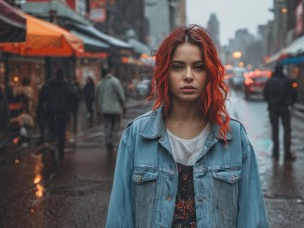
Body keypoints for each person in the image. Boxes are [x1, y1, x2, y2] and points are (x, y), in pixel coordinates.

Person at [106, 25, 269, 227]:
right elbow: (119, 218)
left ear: (209, 73)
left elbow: (253, 218)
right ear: (166, 72)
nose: (189, 75)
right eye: (178, 67)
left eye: (198, 67)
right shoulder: (137, 136)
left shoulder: (234, 137)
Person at [40, 68, 77, 159]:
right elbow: (74, 96)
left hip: (51, 111)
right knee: (61, 131)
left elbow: (42, 97)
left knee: (51, 129)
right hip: (62, 112)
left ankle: (52, 145)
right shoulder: (66, 85)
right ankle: (61, 149)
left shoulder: (48, 85)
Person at [263, 64, 296, 161]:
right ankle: (287, 152)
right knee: (286, 130)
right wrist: (290, 103)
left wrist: (271, 102)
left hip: (273, 108)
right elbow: (293, 94)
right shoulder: (286, 80)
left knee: (275, 130)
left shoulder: (270, 81)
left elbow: (265, 94)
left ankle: (275, 152)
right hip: (284, 108)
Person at [95, 69, 126, 151]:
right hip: (115, 108)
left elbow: (97, 96)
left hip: (104, 108)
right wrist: (124, 105)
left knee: (107, 125)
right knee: (116, 124)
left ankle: (108, 140)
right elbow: (121, 94)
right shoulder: (116, 82)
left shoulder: (100, 83)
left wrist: (98, 108)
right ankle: (112, 136)